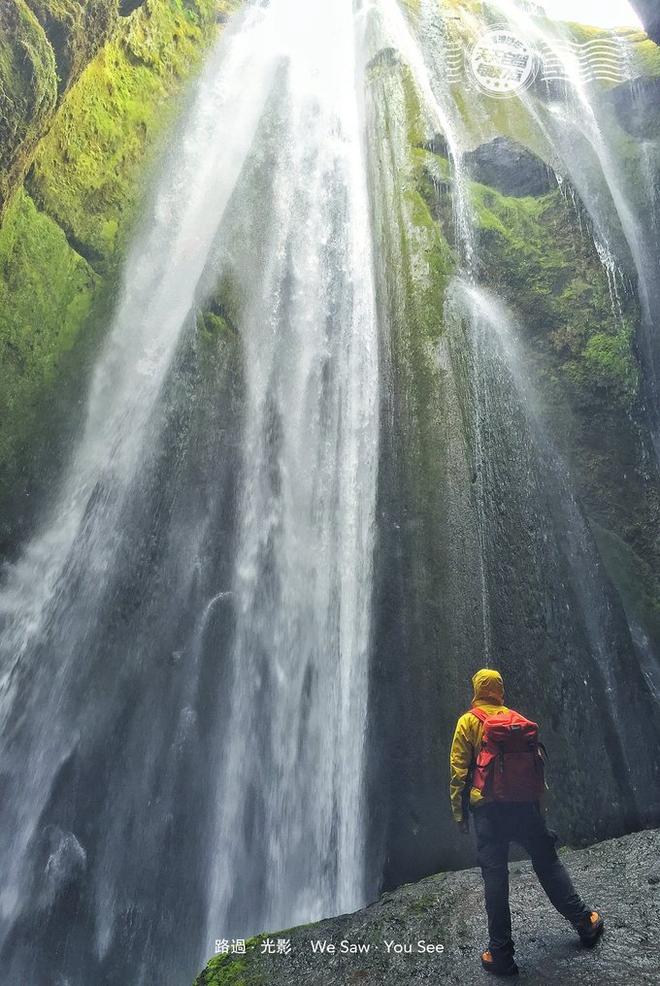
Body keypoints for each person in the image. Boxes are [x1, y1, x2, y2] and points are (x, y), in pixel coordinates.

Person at [449, 668, 604, 977]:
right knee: (547, 861)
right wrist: (539, 809)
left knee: (495, 879)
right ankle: (585, 921)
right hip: (524, 808)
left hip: (489, 812)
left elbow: (458, 772)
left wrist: (459, 813)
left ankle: (501, 955)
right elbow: (536, 768)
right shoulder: (518, 721)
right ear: (500, 691)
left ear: (476, 690)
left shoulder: (468, 722)